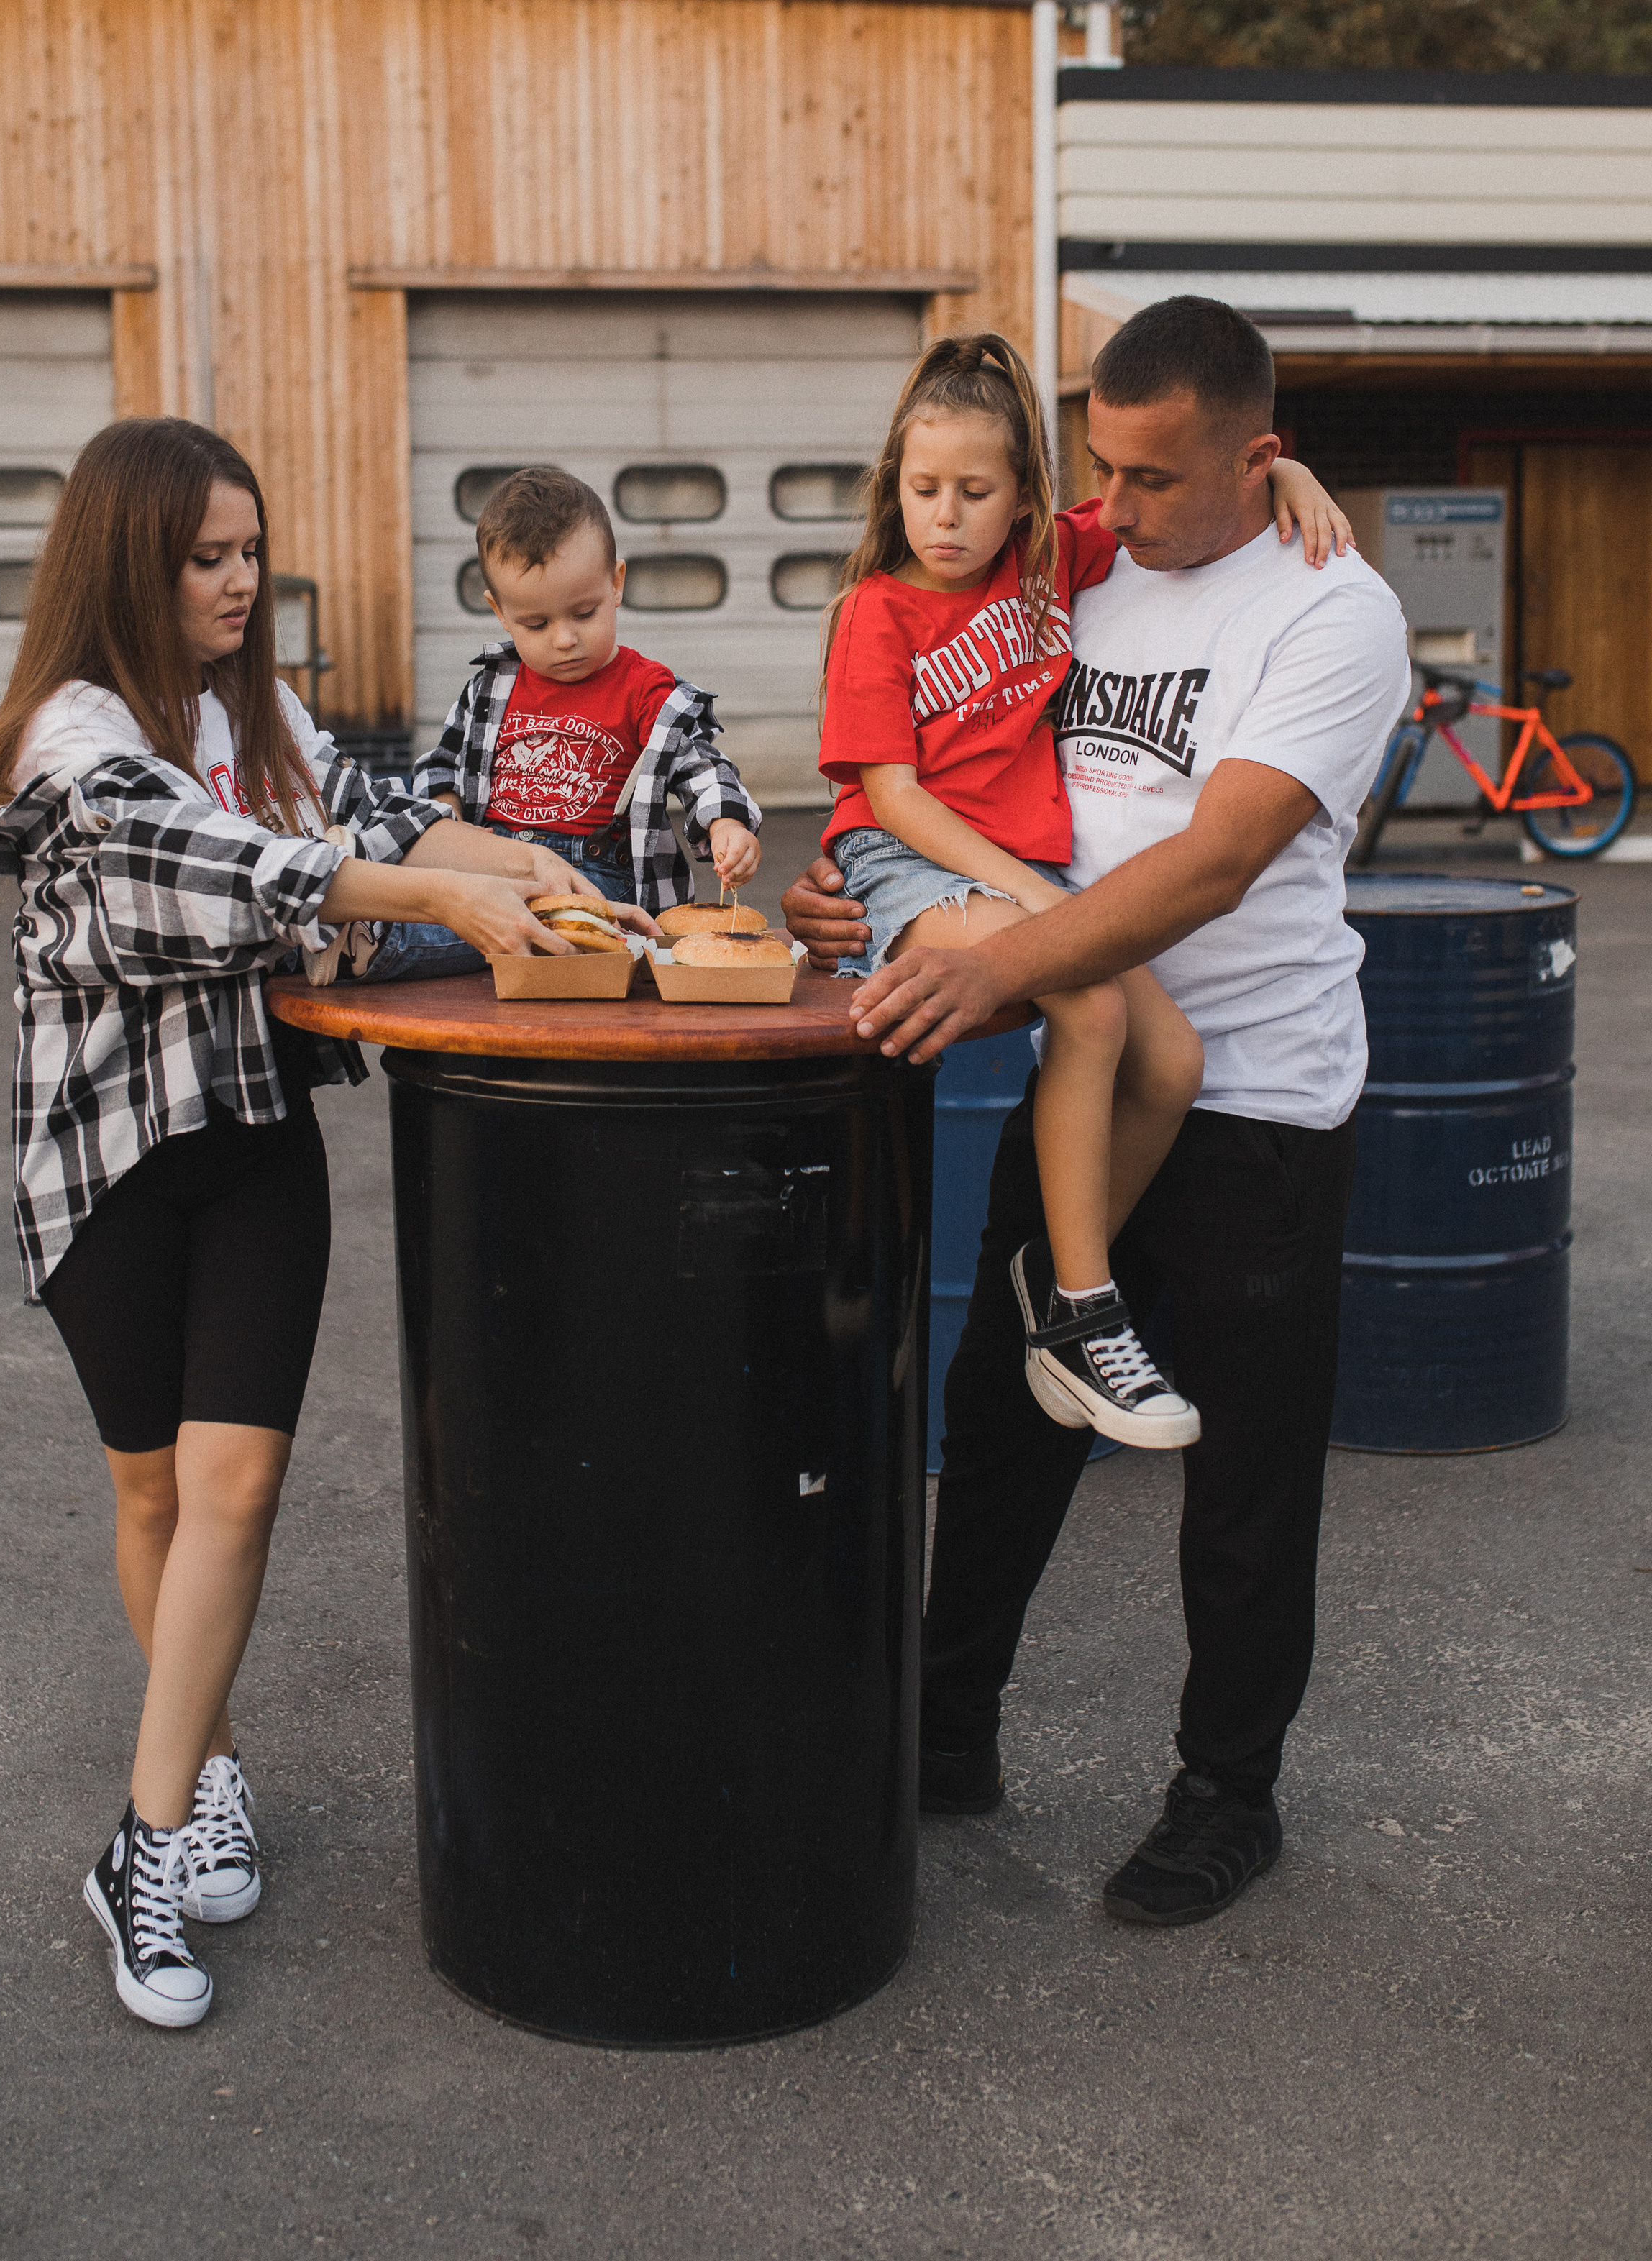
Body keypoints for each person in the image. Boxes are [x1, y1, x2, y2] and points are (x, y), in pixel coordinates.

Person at [0, 416, 587, 2031]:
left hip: (248, 1138)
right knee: (149, 1491)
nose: (238, 583)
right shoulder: (70, 737)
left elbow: (368, 810)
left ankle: (142, 1844)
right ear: (128, 564)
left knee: (236, 1481)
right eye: (206, 558)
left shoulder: (258, 705)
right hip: (105, 1156)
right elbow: (206, 864)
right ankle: (206, 1761)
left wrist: (516, 861)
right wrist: (435, 900)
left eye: (247, 552)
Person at [783, 295, 1410, 1927]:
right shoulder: (1072, 568)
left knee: (1245, 1477)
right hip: (1091, 1073)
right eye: (1100, 471)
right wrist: (890, 900)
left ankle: (1224, 1791)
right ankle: (942, 1734)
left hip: (1256, 1084)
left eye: (1145, 479)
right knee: (1005, 1415)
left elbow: (1206, 865)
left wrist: (1000, 969)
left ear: (1257, 461)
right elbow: (933, 762)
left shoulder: (1328, 609)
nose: (1108, 510)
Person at [817, 332, 1354, 1451]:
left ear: (1022, 503)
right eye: (925, 490)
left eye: (975, 491)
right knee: (1098, 1008)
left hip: (1029, 881)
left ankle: (1063, 1296)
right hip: (918, 856)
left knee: (1173, 1058)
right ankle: (1087, 1308)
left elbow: (1223, 485)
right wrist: (1031, 893)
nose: (947, 516)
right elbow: (895, 799)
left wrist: (1289, 474)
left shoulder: (1056, 564)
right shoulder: (876, 610)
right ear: (895, 488)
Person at [383, 466, 759, 972]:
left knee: (551, 933)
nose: (564, 639)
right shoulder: (491, 687)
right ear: (499, 611)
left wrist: (727, 824)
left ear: (617, 583)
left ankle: (381, 946)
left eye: (584, 613)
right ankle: (375, 942)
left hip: (598, 879)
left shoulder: (644, 689)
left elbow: (700, 766)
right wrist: (450, 821)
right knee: (444, 910)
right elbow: (442, 766)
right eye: (535, 623)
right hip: (496, 867)